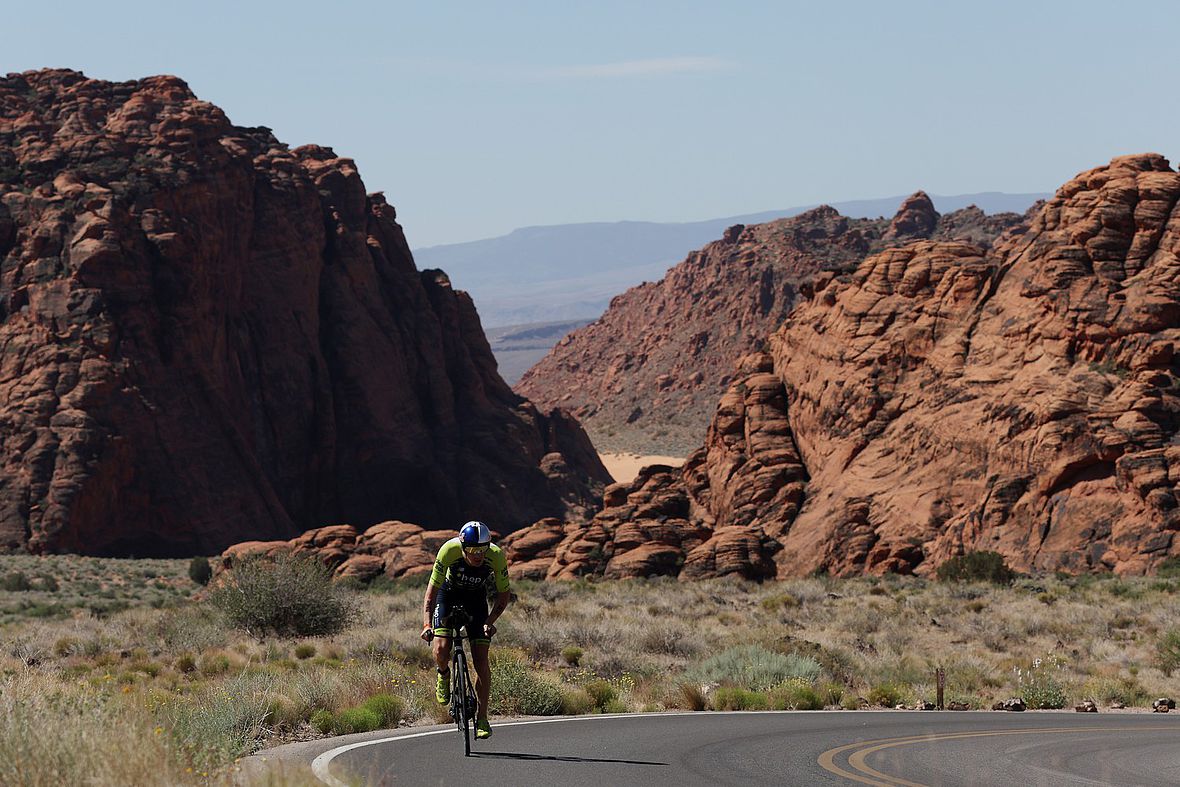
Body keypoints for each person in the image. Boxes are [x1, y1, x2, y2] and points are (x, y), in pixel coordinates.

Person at [421, 520, 512, 740]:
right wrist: (426, 624)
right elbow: (431, 594)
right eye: (472, 550)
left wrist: (490, 621)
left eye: (482, 550)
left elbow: (503, 595)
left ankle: (482, 718)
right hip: (447, 595)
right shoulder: (448, 551)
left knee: (481, 660)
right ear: (462, 547)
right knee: (441, 649)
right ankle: (443, 674)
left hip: (476, 601)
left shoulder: (497, 556)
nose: (478, 555)